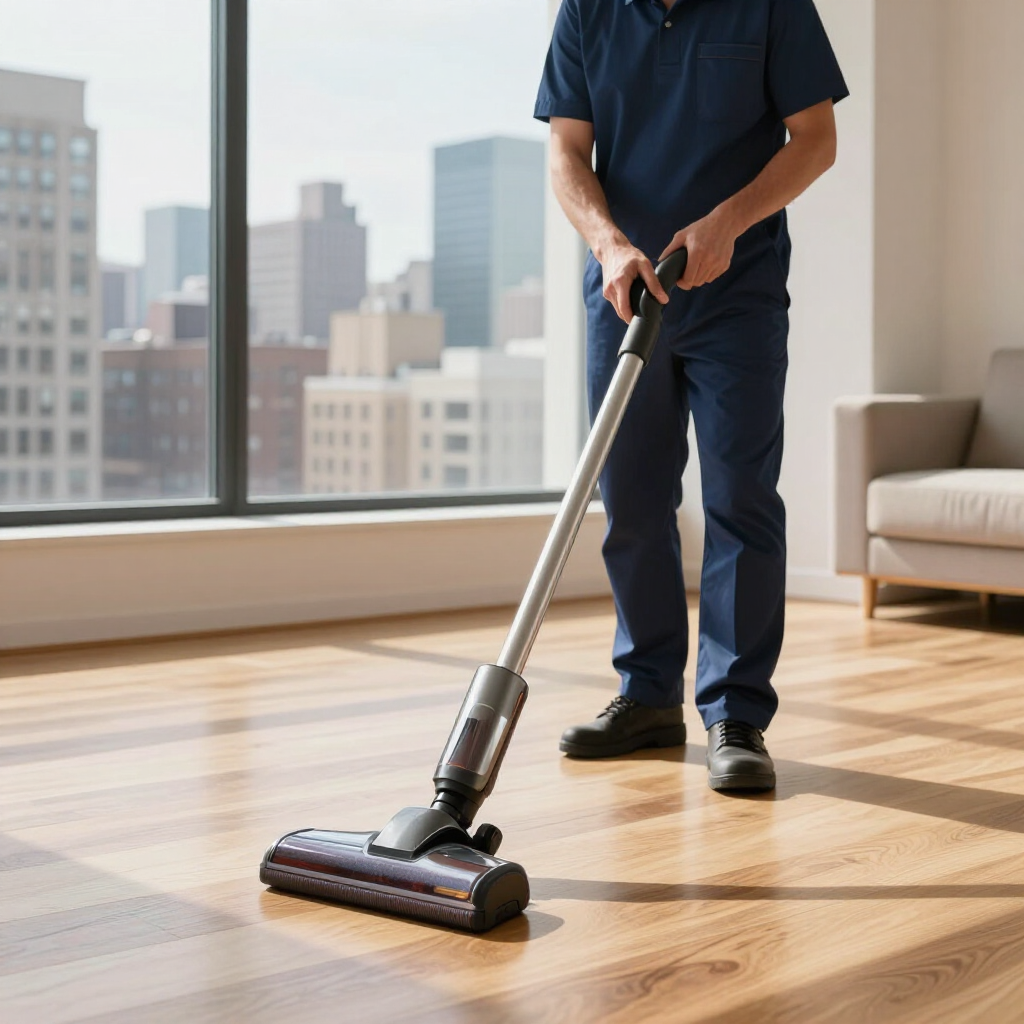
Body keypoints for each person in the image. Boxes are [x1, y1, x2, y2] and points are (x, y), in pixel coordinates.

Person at [534, 0, 848, 791]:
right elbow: (567, 150)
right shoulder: (588, 12)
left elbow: (816, 139)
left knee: (740, 496)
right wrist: (608, 244)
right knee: (632, 497)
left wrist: (727, 222)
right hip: (624, 292)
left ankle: (736, 713)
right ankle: (647, 698)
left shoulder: (772, 5)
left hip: (735, 295)